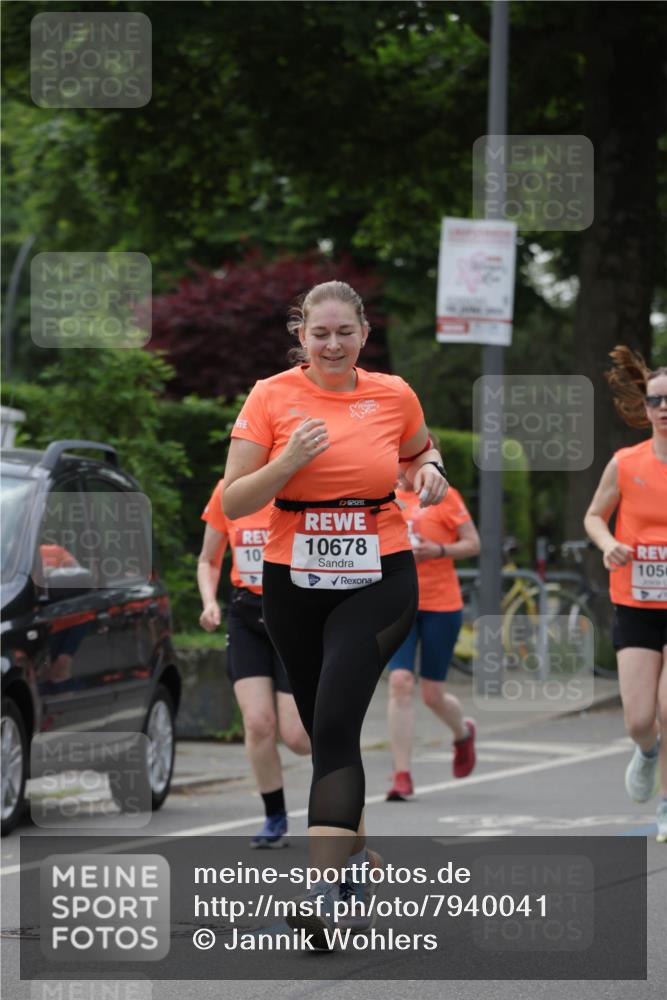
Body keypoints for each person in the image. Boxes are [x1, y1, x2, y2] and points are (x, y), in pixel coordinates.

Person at [222, 279, 448, 943]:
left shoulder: (393, 393)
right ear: (299, 336)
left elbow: (419, 449)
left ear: (362, 335)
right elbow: (235, 501)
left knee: (336, 722)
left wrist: (432, 468)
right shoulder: (270, 397)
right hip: (291, 580)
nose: (331, 343)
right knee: (327, 736)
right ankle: (355, 866)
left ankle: (320, 893)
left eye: (343, 332)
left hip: (378, 573)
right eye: (317, 333)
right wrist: (288, 460)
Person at [198, 479, 311, 847]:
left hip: (294, 616)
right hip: (246, 615)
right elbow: (208, 560)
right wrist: (209, 601)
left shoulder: (300, 488)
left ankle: (339, 776)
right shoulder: (227, 492)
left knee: (296, 737)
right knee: (258, 723)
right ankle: (275, 816)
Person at [583, 346, 667, 843]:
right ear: (646, 406)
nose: (664, 408)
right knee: (640, 719)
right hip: (635, 601)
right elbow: (594, 515)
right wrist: (610, 542)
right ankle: (647, 751)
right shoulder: (626, 462)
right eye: (656, 399)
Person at [386, 449, 480, 800]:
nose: (402, 467)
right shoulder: (384, 497)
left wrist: (438, 551)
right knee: (399, 682)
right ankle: (401, 775)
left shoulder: (445, 496)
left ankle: (462, 733)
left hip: (441, 604)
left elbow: (473, 544)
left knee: (432, 693)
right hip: (398, 605)